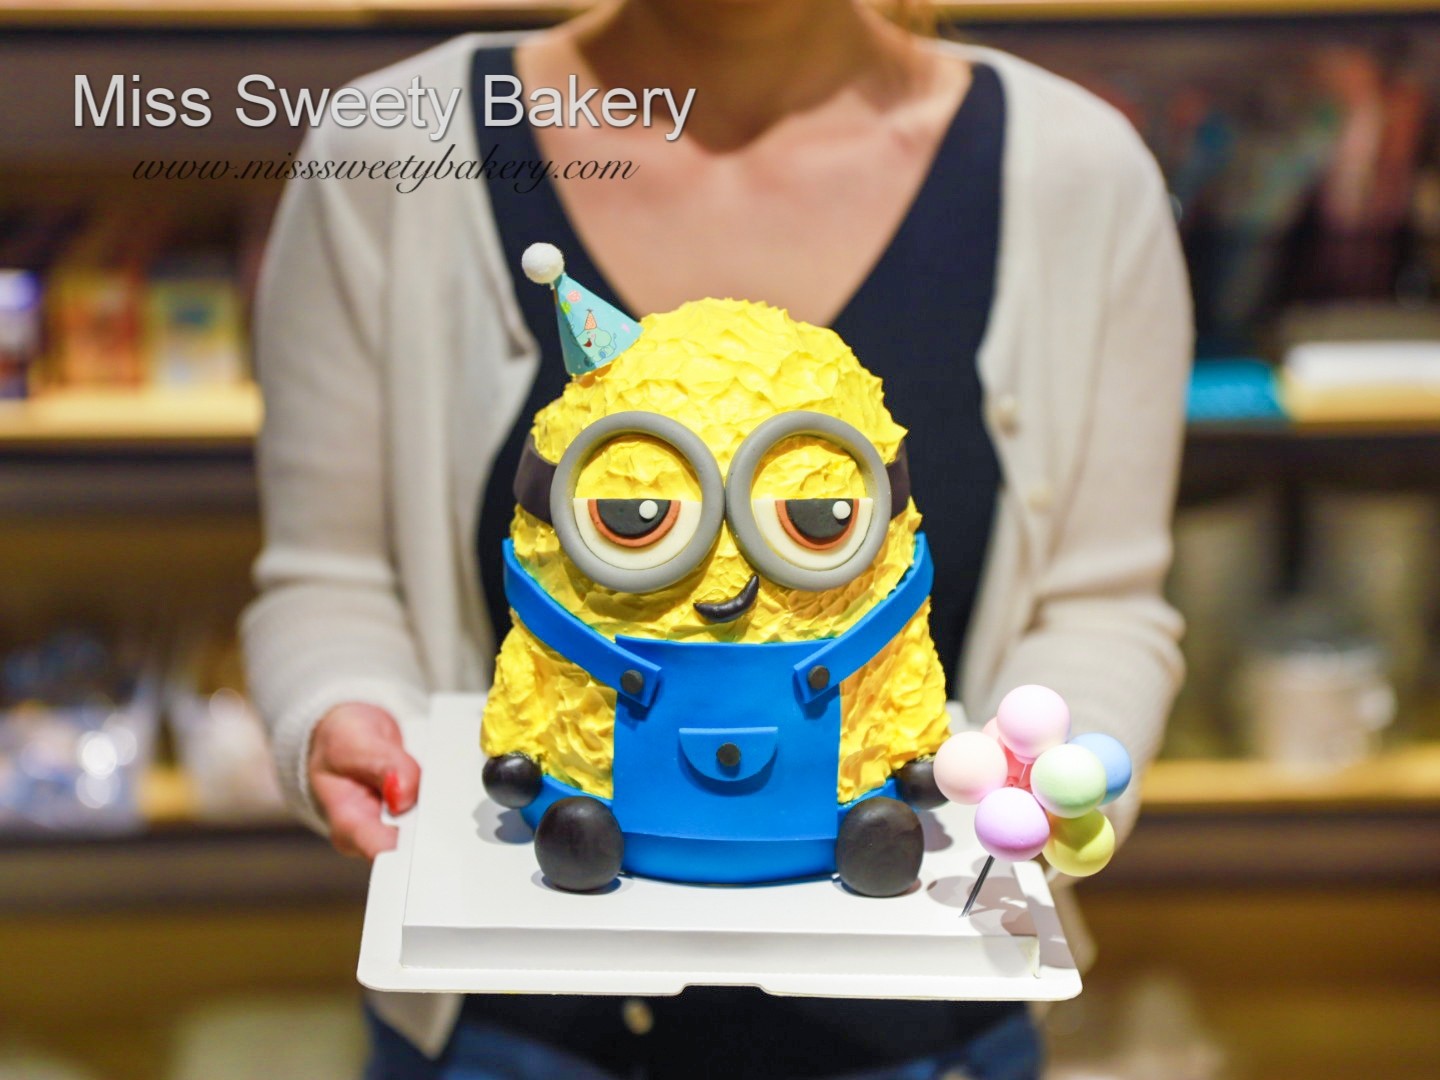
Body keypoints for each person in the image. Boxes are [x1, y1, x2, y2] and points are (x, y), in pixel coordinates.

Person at [243, 1, 1192, 1077]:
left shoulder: (1079, 172)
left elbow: (1100, 604)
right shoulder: (392, 150)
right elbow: (328, 577)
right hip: (504, 1031)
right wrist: (339, 712)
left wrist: (1054, 778)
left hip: (926, 1036)